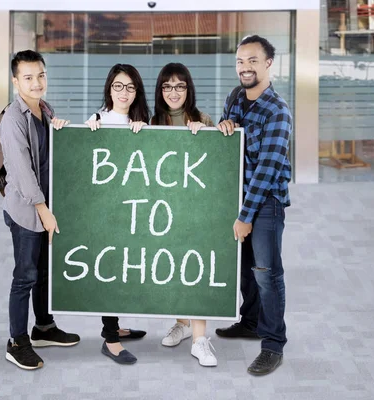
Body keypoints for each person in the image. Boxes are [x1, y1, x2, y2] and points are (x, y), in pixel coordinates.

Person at [215, 35, 292, 376]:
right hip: (237, 198)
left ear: (269, 64)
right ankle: (250, 323)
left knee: (267, 274)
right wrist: (224, 126)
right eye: (240, 61)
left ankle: (273, 345)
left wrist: (246, 216)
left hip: (264, 204)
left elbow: (266, 170)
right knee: (244, 268)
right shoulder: (235, 97)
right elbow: (227, 141)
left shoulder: (278, 111)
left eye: (252, 61)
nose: (244, 67)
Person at [0, 50, 80, 370]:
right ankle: (17, 341)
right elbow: (21, 173)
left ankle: (43, 327)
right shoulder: (13, 119)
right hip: (26, 210)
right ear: (15, 80)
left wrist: (61, 131)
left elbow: (50, 157)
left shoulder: (45, 110)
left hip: (46, 206)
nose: (36, 83)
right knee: (25, 275)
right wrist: (43, 210)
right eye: (28, 77)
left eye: (41, 76)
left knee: (45, 271)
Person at [151, 62, 217, 367]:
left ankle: (200, 340)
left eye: (179, 86)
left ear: (188, 89)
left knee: (195, 267)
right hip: (164, 207)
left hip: (195, 208)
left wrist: (206, 132)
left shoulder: (202, 119)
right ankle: (182, 322)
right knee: (172, 265)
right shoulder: (153, 121)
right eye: (167, 86)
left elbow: (220, 160)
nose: (173, 92)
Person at [85, 63, 149, 364]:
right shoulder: (96, 120)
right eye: (118, 86)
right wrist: (87, 133)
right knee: (109, 270)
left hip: (135, 211)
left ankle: (116, 327)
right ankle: (110, 339)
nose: (124, 92)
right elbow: (80, 160)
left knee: (127, 268)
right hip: (106, 213)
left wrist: (145, 133)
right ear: (109, 88)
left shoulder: (143, 122)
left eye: (131, 87)